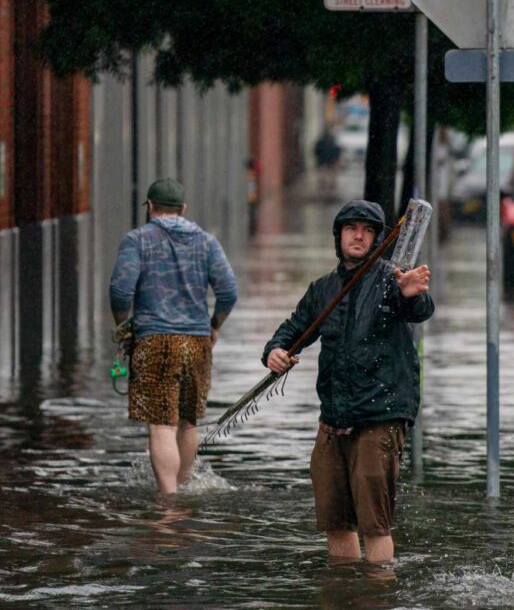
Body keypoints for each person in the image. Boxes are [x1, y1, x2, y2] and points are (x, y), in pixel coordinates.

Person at [262, 200, 433, 563]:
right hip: (333, 418)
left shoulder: (393, 279)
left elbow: (419, 310)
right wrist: (275, 352)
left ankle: (378, 589)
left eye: (368, 230)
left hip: (380, 417)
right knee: (336, 523)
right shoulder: (322, 289)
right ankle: (343, 588)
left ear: (377, 239)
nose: (359, 236)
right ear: (338, 236)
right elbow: (293, 330)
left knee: (375, 525)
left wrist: (411, 293)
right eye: (351, 228)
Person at [109, 178, 238, 494]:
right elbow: (228, 290)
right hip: (196, 342)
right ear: (183, 208)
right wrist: (214, 325)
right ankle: (183, 488)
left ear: (150, 206)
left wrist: (124, 327)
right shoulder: (207, 242)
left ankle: (169, 500)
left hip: (154, 340)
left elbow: (121, 290)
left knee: (161, 425)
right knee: (187, 422)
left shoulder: (137, 240)